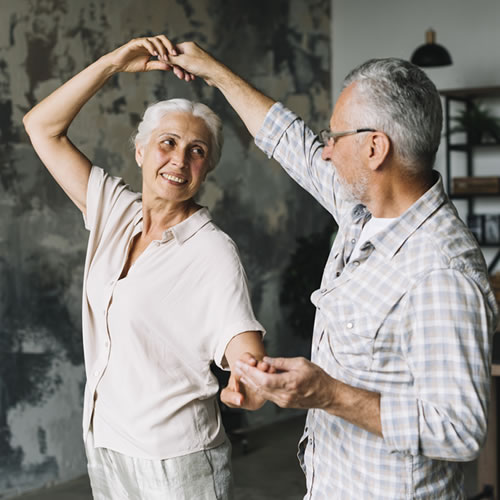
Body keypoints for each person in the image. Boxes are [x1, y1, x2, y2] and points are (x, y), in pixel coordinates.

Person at [166, 41, 499, 498]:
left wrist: (328, 394)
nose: (324, 151)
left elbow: (459, 429)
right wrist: (212, 70)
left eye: (334, 137)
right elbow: (289, 142)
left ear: (374, 148)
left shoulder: (441, 270)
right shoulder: (362, 209)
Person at [23, 36, 270, 500]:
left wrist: (248, 378)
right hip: (107, 446)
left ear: (207, 168)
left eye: (197, 151)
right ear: (140, 151)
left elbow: (243, 345)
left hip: (176, 463)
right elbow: (41, 127)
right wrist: (113, 63)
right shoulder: (113, 209)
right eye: (168, 143)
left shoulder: (212, 250)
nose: (179, 159)